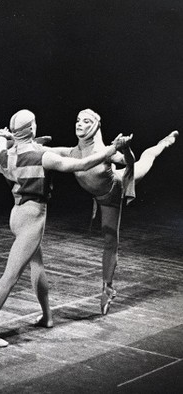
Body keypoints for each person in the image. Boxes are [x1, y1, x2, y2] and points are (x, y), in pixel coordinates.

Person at [0, 109, 131, 347]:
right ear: (31, 130)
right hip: (32, 219)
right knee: (10, 277)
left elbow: (1, 146)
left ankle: (47, 316)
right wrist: (111, 149)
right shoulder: (42, 156)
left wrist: (2, 137)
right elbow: (82, 163)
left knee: (37, 264)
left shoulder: (4, 154)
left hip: (16, 215)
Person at [58, 109, 178, 315]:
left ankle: (108, 287)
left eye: (86, 121)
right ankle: (108, 286)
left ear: (95, 126)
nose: (79, 124)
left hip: (116, 188)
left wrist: (127, 148)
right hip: (101, 194)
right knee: (108, 238)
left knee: (146, 158)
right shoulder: (71, 152)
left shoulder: (107, 151)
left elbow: (130, 163)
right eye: (77, 120)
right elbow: (40, 151)